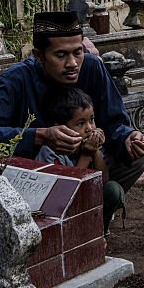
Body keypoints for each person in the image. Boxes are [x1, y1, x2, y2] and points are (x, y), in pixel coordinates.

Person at [0, 11, 144, 231]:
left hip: (87, 160)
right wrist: (39, 136)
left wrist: (128, 136)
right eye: (60, 55)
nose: (72, 63)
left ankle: (93, 217)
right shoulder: (16, 80)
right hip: (34, 174)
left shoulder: (92, 67)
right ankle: (29, 225)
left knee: (140, 154)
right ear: (39, 55)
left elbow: (114, 121)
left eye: (77, 52)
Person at [36, 87, 125, 233]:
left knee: (112, 190)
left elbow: (103, 180)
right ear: (60, 128)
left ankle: (98, 231)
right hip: (59, 211)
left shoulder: (86, 144)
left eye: (92, 120)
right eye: (80, 124)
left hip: (85, 205)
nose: (89, 128)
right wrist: (86, 155)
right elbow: (67, 192)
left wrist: (95, 151)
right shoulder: (51, 153)